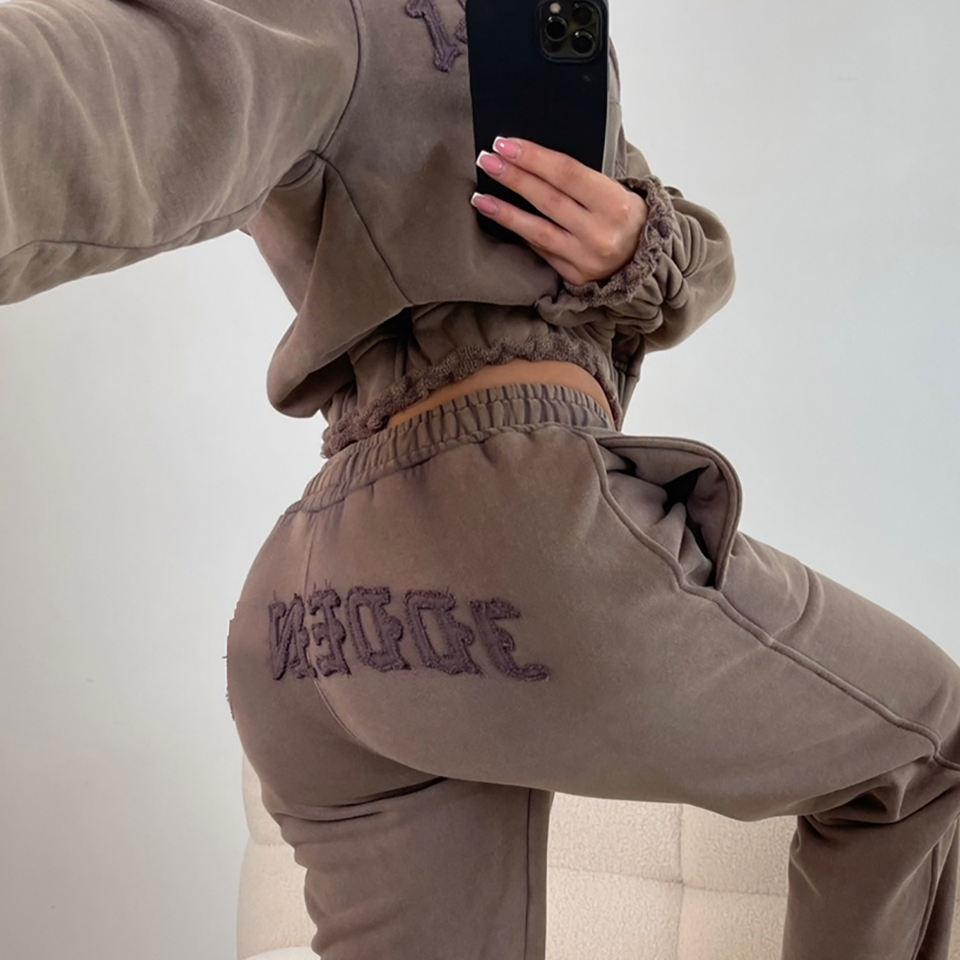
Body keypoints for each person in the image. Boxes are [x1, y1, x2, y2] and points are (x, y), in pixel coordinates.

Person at [2, 2, 959, 959]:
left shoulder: (521, 48)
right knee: (929, 750)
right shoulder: (355, 17)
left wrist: (636, 240)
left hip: (306, 615)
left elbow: (699, 257)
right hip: (504, 534)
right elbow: (109, 85)